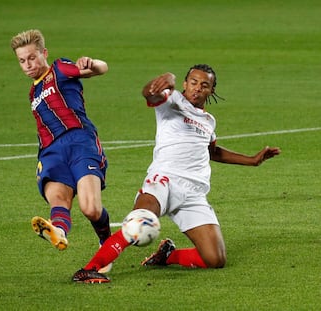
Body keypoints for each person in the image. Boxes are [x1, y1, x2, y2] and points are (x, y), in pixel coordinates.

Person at [72, 64, 281, 283]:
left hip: (193, 194)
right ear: (184, 83)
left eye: (204, 85)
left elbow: (213, 152)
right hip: (163, 180)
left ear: (211, 91)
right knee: (138, 222)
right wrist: (167, 79)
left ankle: (168, 256)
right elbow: (150, 94)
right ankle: (89, 269)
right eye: (193, 82)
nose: (197, 88)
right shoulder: (171, 102)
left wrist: (253, 161)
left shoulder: (208, 121)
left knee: (215, 259)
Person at [10, 29, 112, 270]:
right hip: (51, 151)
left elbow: (100, 69)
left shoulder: (59, 69)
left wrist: (92, 63)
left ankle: (106, 242)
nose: (27, 65)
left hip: (80, 142)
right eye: (22, 61)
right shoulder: (32, 92)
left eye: (32, 57)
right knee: (57, 197)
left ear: (44, 53)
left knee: (91, 208)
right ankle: (58, 231)